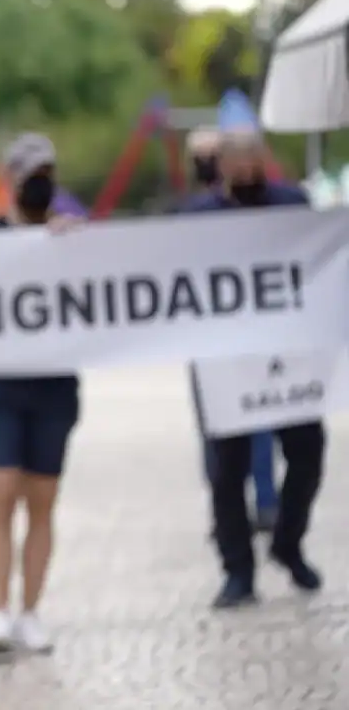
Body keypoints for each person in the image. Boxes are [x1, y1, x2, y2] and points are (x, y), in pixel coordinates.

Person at [181, 132, 325, 609]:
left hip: (287, 358)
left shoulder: (292, 205)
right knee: (228, 471)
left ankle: (287, 541)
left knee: (307, 451)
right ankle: (237, 570)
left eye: (253, 165)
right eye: (237, 166)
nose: (246, 175)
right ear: (222, 167)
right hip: (226, 363)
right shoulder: (195, 219)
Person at [0, 133, 84, 655]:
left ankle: (31, 610)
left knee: (42, 503)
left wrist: (76, 245)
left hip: (53, 387)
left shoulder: (71, 238)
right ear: (11, 178)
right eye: (31, 171)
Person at [183, 129, 279, 533]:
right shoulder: (194, 215)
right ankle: (230, 516)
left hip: (266, 340)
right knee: (220, 435)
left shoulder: (286, 207)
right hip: (216, 345)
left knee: (262, 424)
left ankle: (268, 505)